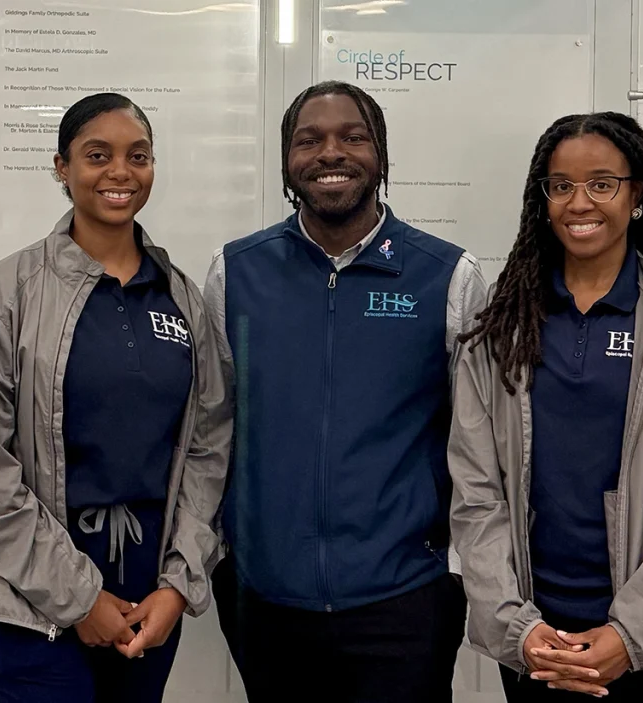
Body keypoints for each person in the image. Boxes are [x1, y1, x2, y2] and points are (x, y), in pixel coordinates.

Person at [0, 92, 232, 703]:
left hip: (148, 599)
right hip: (35, 602)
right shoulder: (8, 292)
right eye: (98, 155)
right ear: (61, 167)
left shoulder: (180, 298)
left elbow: (209, 450)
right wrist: (78, 597)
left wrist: (177, 585)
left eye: (139, 155)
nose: (120, 172)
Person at [448, 111, 643, 702]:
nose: (579, 202)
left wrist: (629, 635)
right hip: (536, 641)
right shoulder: (503, 324)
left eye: (601, 183)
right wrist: (519, 629)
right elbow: (475, 497)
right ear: (544, 199)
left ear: (636, 193)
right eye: (561, 186)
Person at [203, 80, 487, 701]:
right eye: (310, 140)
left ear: (381, 154)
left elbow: (478, 446)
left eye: (352, 137)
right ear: (287, 162)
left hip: (404, 598)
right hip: (265, 599)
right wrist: (219, 555)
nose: (331, 153)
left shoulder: (448, 278)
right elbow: (211, 430)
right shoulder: (236, 273)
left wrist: (461, 573)